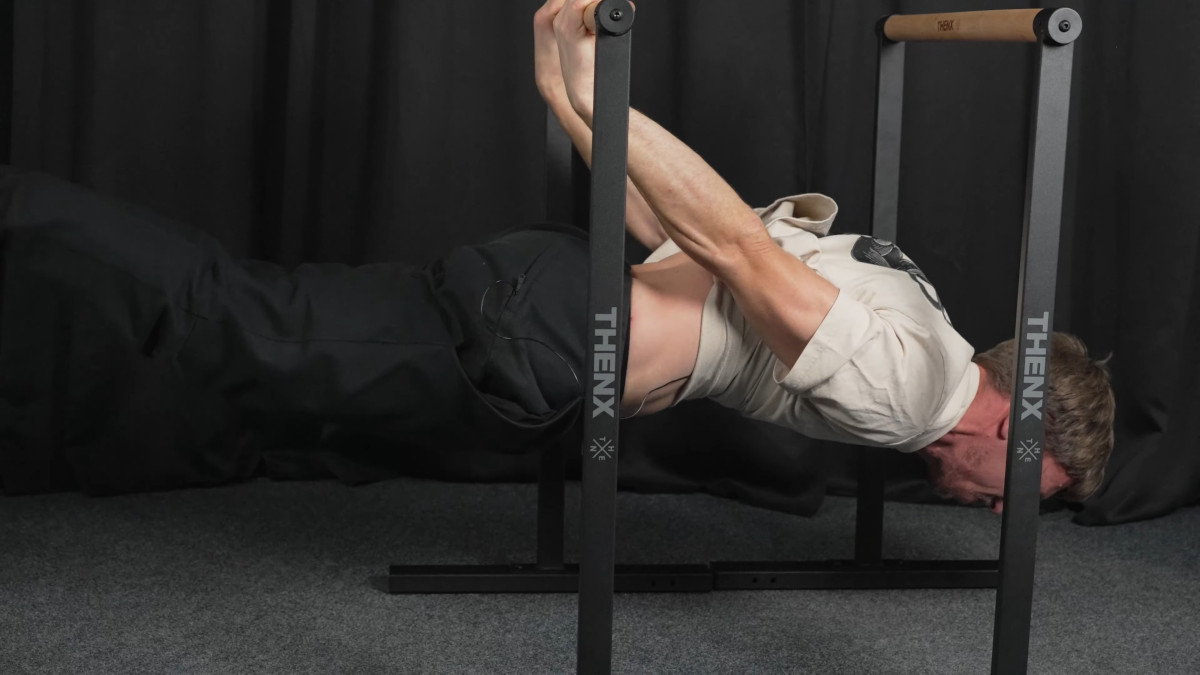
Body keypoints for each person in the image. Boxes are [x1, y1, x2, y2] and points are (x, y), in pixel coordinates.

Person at [0, 3, 1114, 511]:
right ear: (1010, 426)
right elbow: (725, 234)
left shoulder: (910, 295)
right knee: (221, 313)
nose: (997, 505)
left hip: (548, 291)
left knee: (250, 321)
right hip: (544, 340)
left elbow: (691, 243)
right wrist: (598, 101)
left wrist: (569, 95)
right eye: (1028, 487)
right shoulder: (913, 388)